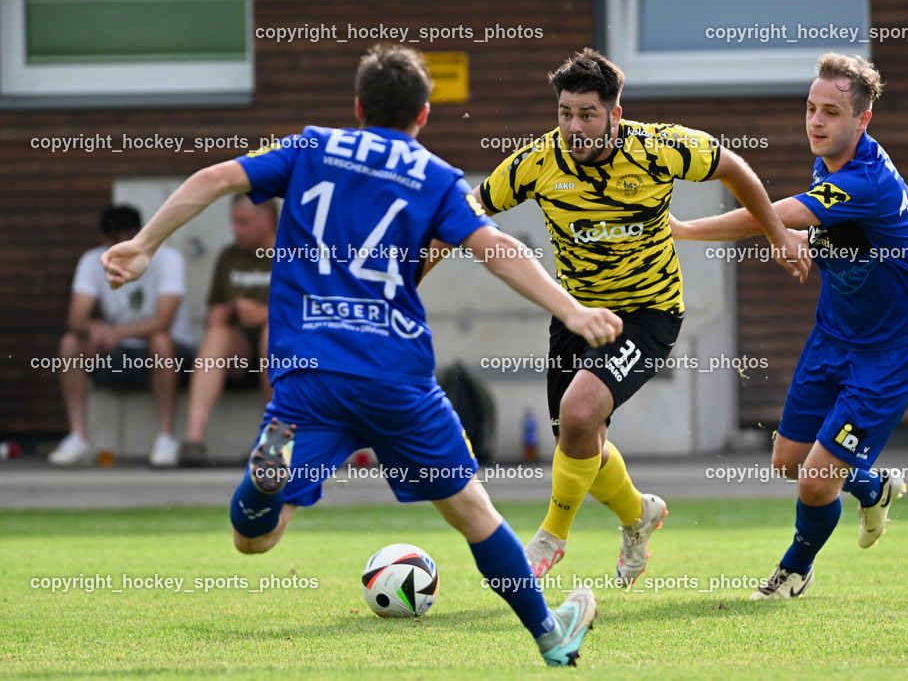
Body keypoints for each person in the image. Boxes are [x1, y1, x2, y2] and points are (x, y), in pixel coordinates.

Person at [101, 44, 622, 666]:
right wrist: (571, 309)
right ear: (424, 115)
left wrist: (141, 244)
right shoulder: (434, 177)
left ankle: (269, 472)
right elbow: (493, 245)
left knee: (254, 538)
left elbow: (214, 179)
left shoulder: (310, 148)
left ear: (357, 106)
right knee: (472, 512)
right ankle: (549, 633)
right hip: (395, 379)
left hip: (308, 377)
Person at [463, 48, 808, 586]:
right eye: (564, 113)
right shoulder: (537, 162)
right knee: (581, 444)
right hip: (577, 316)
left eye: (587, 115)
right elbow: (466, 212)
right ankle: (638, 515)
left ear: (615, 115)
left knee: (579, 414)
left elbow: (733, 167)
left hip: (648, 314)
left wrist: (777, 233)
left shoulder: (659, 148)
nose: (573, 128)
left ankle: (550, 538)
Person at [672, 53, 908, 598]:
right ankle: (872, 484)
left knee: (818, 479)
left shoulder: (868, 180)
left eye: (832, 113)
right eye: (810, 109)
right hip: (833, 336)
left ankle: (793, 570)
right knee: (787, 462)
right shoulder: (830, 164)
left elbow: (770, 215)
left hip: (892, 351)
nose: (816, 122)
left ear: (863, 120)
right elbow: (846, 240)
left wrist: (683, 229)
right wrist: (805, 247)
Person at [49, 205, 195, 468]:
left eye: (131, 236)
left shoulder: (168, 258)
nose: (125, 244)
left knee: (160, 341)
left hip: (166, 352)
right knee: (71, 342)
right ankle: (79, 437)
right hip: (117, 352)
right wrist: (95, 330)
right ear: (105, 240)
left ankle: (166, 438)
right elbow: (76, 318)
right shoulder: (93, 261)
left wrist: (115, 332)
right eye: (118, 238)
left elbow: (163, 322)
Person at [179, 194, 276, 467]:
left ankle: (271, 442)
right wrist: (220, 314)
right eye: (234, 222)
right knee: (217, 334)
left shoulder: (292, 254)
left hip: (282, 350)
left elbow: (311, 312)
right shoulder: (229, 256)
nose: (236, 229)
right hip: (240, 351)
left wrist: (265, 313)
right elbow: (213, 312)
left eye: (243, 222)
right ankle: (193, 441)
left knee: (274, 333)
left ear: (267, 220)